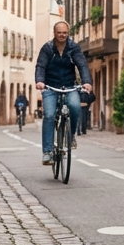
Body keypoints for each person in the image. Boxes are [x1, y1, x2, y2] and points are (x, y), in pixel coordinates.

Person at [34, 20, 92, 166]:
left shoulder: (74, 48)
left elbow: (82, 65)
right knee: (49, 115)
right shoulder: (47, 48)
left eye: (65, 33)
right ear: (54, 33)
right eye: (59, 32)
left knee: (75, 107)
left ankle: (70, 135)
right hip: (50, 86)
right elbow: (40, 66)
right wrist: (40, 81)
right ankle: (47, 152)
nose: (62, 35)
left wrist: (86, 82)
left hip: (69, 86)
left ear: (68, 33)